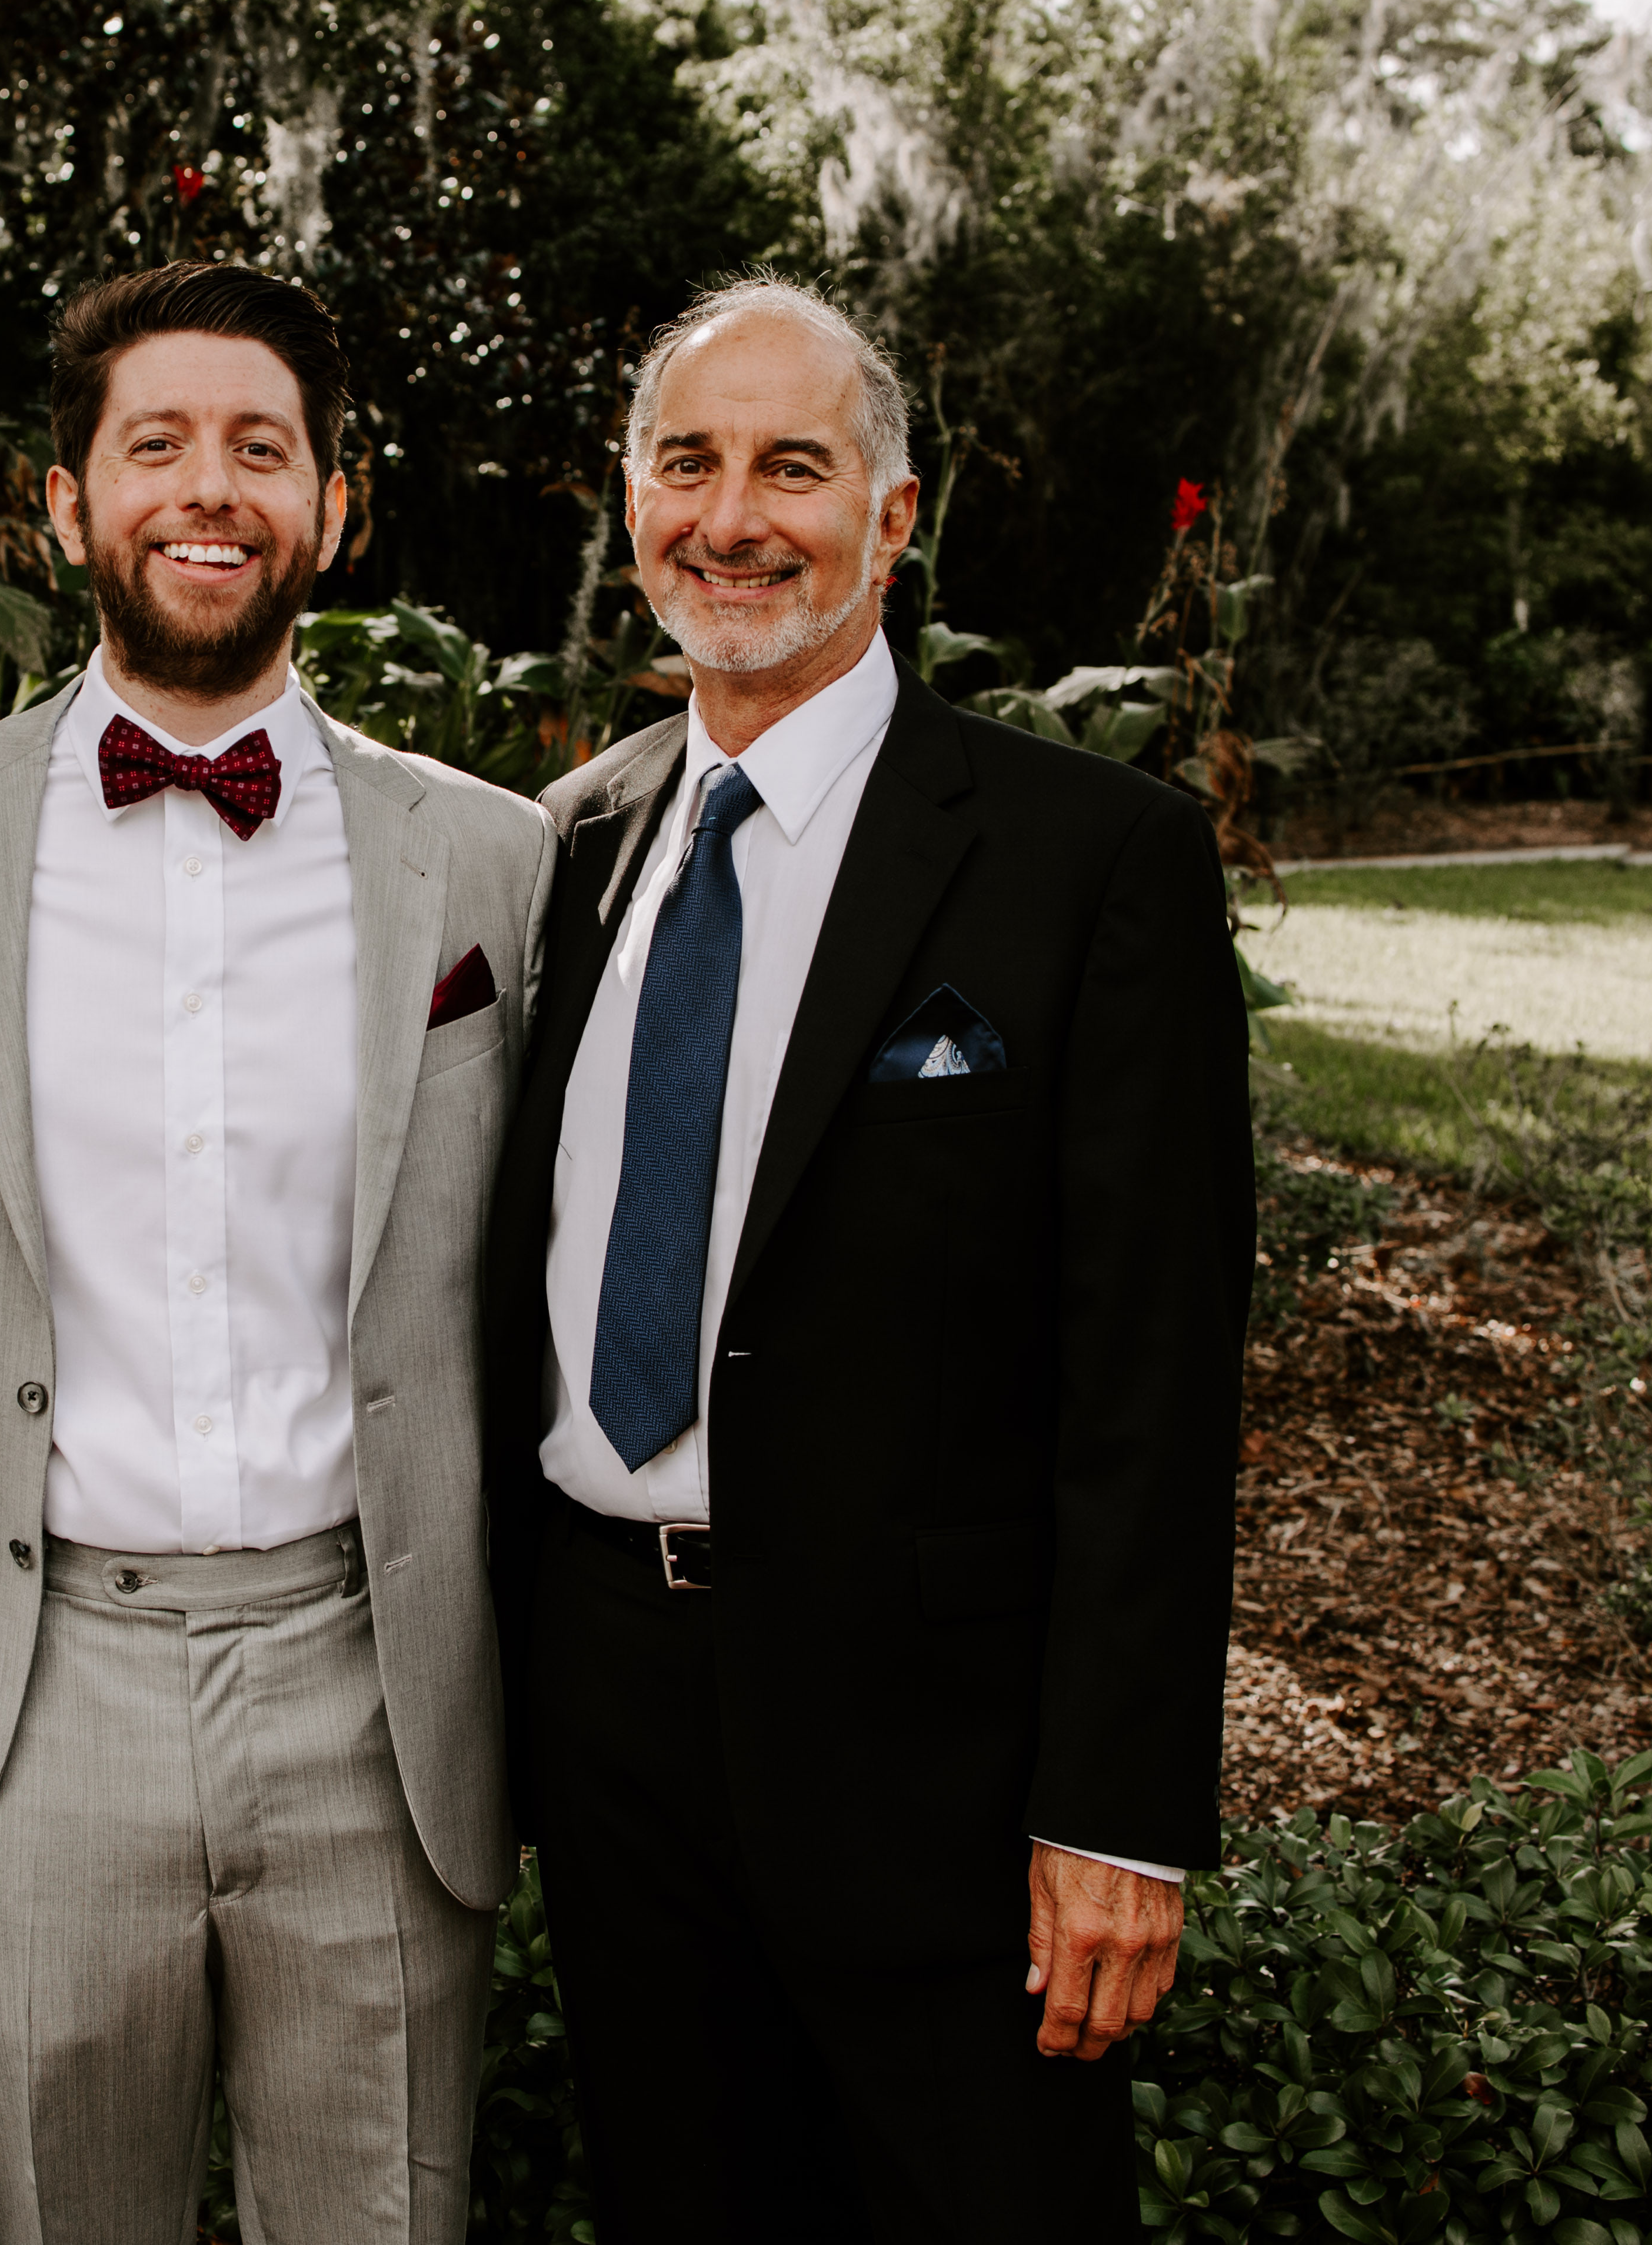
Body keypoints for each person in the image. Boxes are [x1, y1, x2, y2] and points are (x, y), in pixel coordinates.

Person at [0, 261, 551, 2245]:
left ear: (331, 507)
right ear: (66, 502)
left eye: (259, 448)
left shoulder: (490, 859)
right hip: (30, 1686)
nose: (209, 489)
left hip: (376, 1683)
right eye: (156, 445)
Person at [482, 275, 1251, 2241]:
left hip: (938, 1753)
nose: (730, 518)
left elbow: (1152, 1379)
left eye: (791, 468)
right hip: (611, 1708)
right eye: (687, 464)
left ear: (891, 519)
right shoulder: (563, 845)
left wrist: (1112, 1810)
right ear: (633, 502)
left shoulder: (1089, 861)